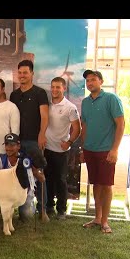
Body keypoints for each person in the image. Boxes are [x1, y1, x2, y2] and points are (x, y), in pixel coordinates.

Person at [80, 69, 125, 234]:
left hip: (106, 151)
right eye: (87, 81)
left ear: (101, 81)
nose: (90, 83)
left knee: (106, 186)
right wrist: (83, 148)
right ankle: (97, 218)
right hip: (90, 150)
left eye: (93, 79)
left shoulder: (111, 99)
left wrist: (114, 149)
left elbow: (121, 124)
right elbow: (84, 126)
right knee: (96, 185)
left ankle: (105, 221)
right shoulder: (85, 102)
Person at [9, 60, 49, 219]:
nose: (22, 75)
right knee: (19, 176)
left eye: (25, 72)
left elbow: (45, 116)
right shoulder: (14, 95)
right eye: (20, 73)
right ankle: (23, 211)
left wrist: (42, 134)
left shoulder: (40, 93)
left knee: (38, 175)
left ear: (32, 74)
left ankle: (43, 210)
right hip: (17, 143)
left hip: (34, 141)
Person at [0, 133, 45, 219]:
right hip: (7, 196)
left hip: (24, 195)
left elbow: (42, 179)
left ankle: (28, 206)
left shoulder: (27, 160)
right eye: (7, 144)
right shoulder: (1, 160)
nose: (8, 148)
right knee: (5, 207)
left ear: (18, 146)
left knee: (27, 215)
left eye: (12, 145)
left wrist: (33, 171)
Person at [44, 77, 81, 220]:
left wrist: (70, 142)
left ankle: (61, 210)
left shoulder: (70, 107)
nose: (54, 90)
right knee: (47, 179)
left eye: (58, 87)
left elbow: (77, 128)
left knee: (60, 180)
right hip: (46, 148)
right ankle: (48, 206)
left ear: (64, 88)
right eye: (52, 87)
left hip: (61, 151)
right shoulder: (46, 105)